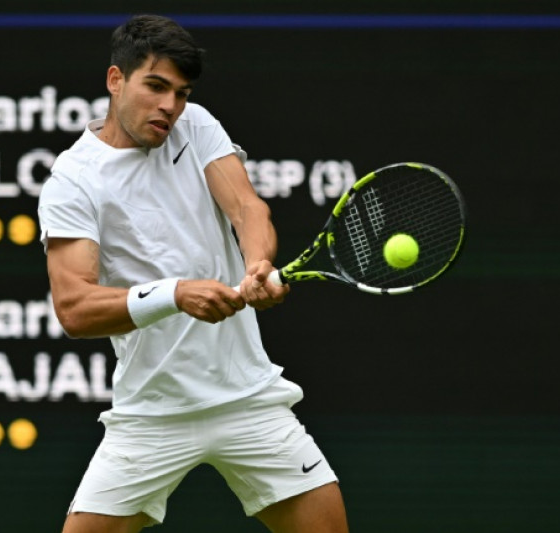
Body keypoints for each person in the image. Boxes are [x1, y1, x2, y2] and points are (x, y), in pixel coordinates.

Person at [37, 14, 349, 533]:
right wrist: (174, 294)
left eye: (180, 93)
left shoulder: (195, 126)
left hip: (249, 400)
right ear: (116, 81)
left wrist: (257, 265)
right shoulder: (73, 181)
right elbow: (74, 309)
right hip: (151, 414)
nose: (169, 107)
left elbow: (247, 209)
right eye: (155, 87)